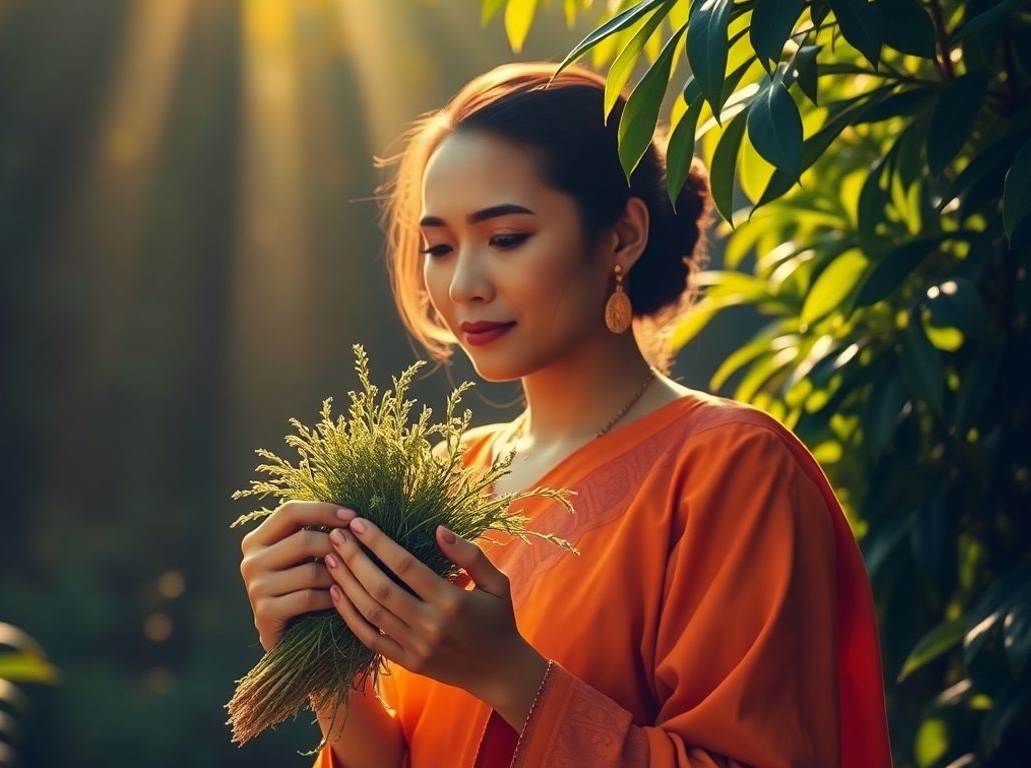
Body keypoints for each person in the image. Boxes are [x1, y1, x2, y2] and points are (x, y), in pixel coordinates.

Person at [236, 61, 892, 767]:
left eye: (506, 238)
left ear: (622, 238)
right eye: (439, 247)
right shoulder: (447, 478)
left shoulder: (731, 469)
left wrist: (510, 677)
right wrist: (323, 656)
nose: (463, 285)